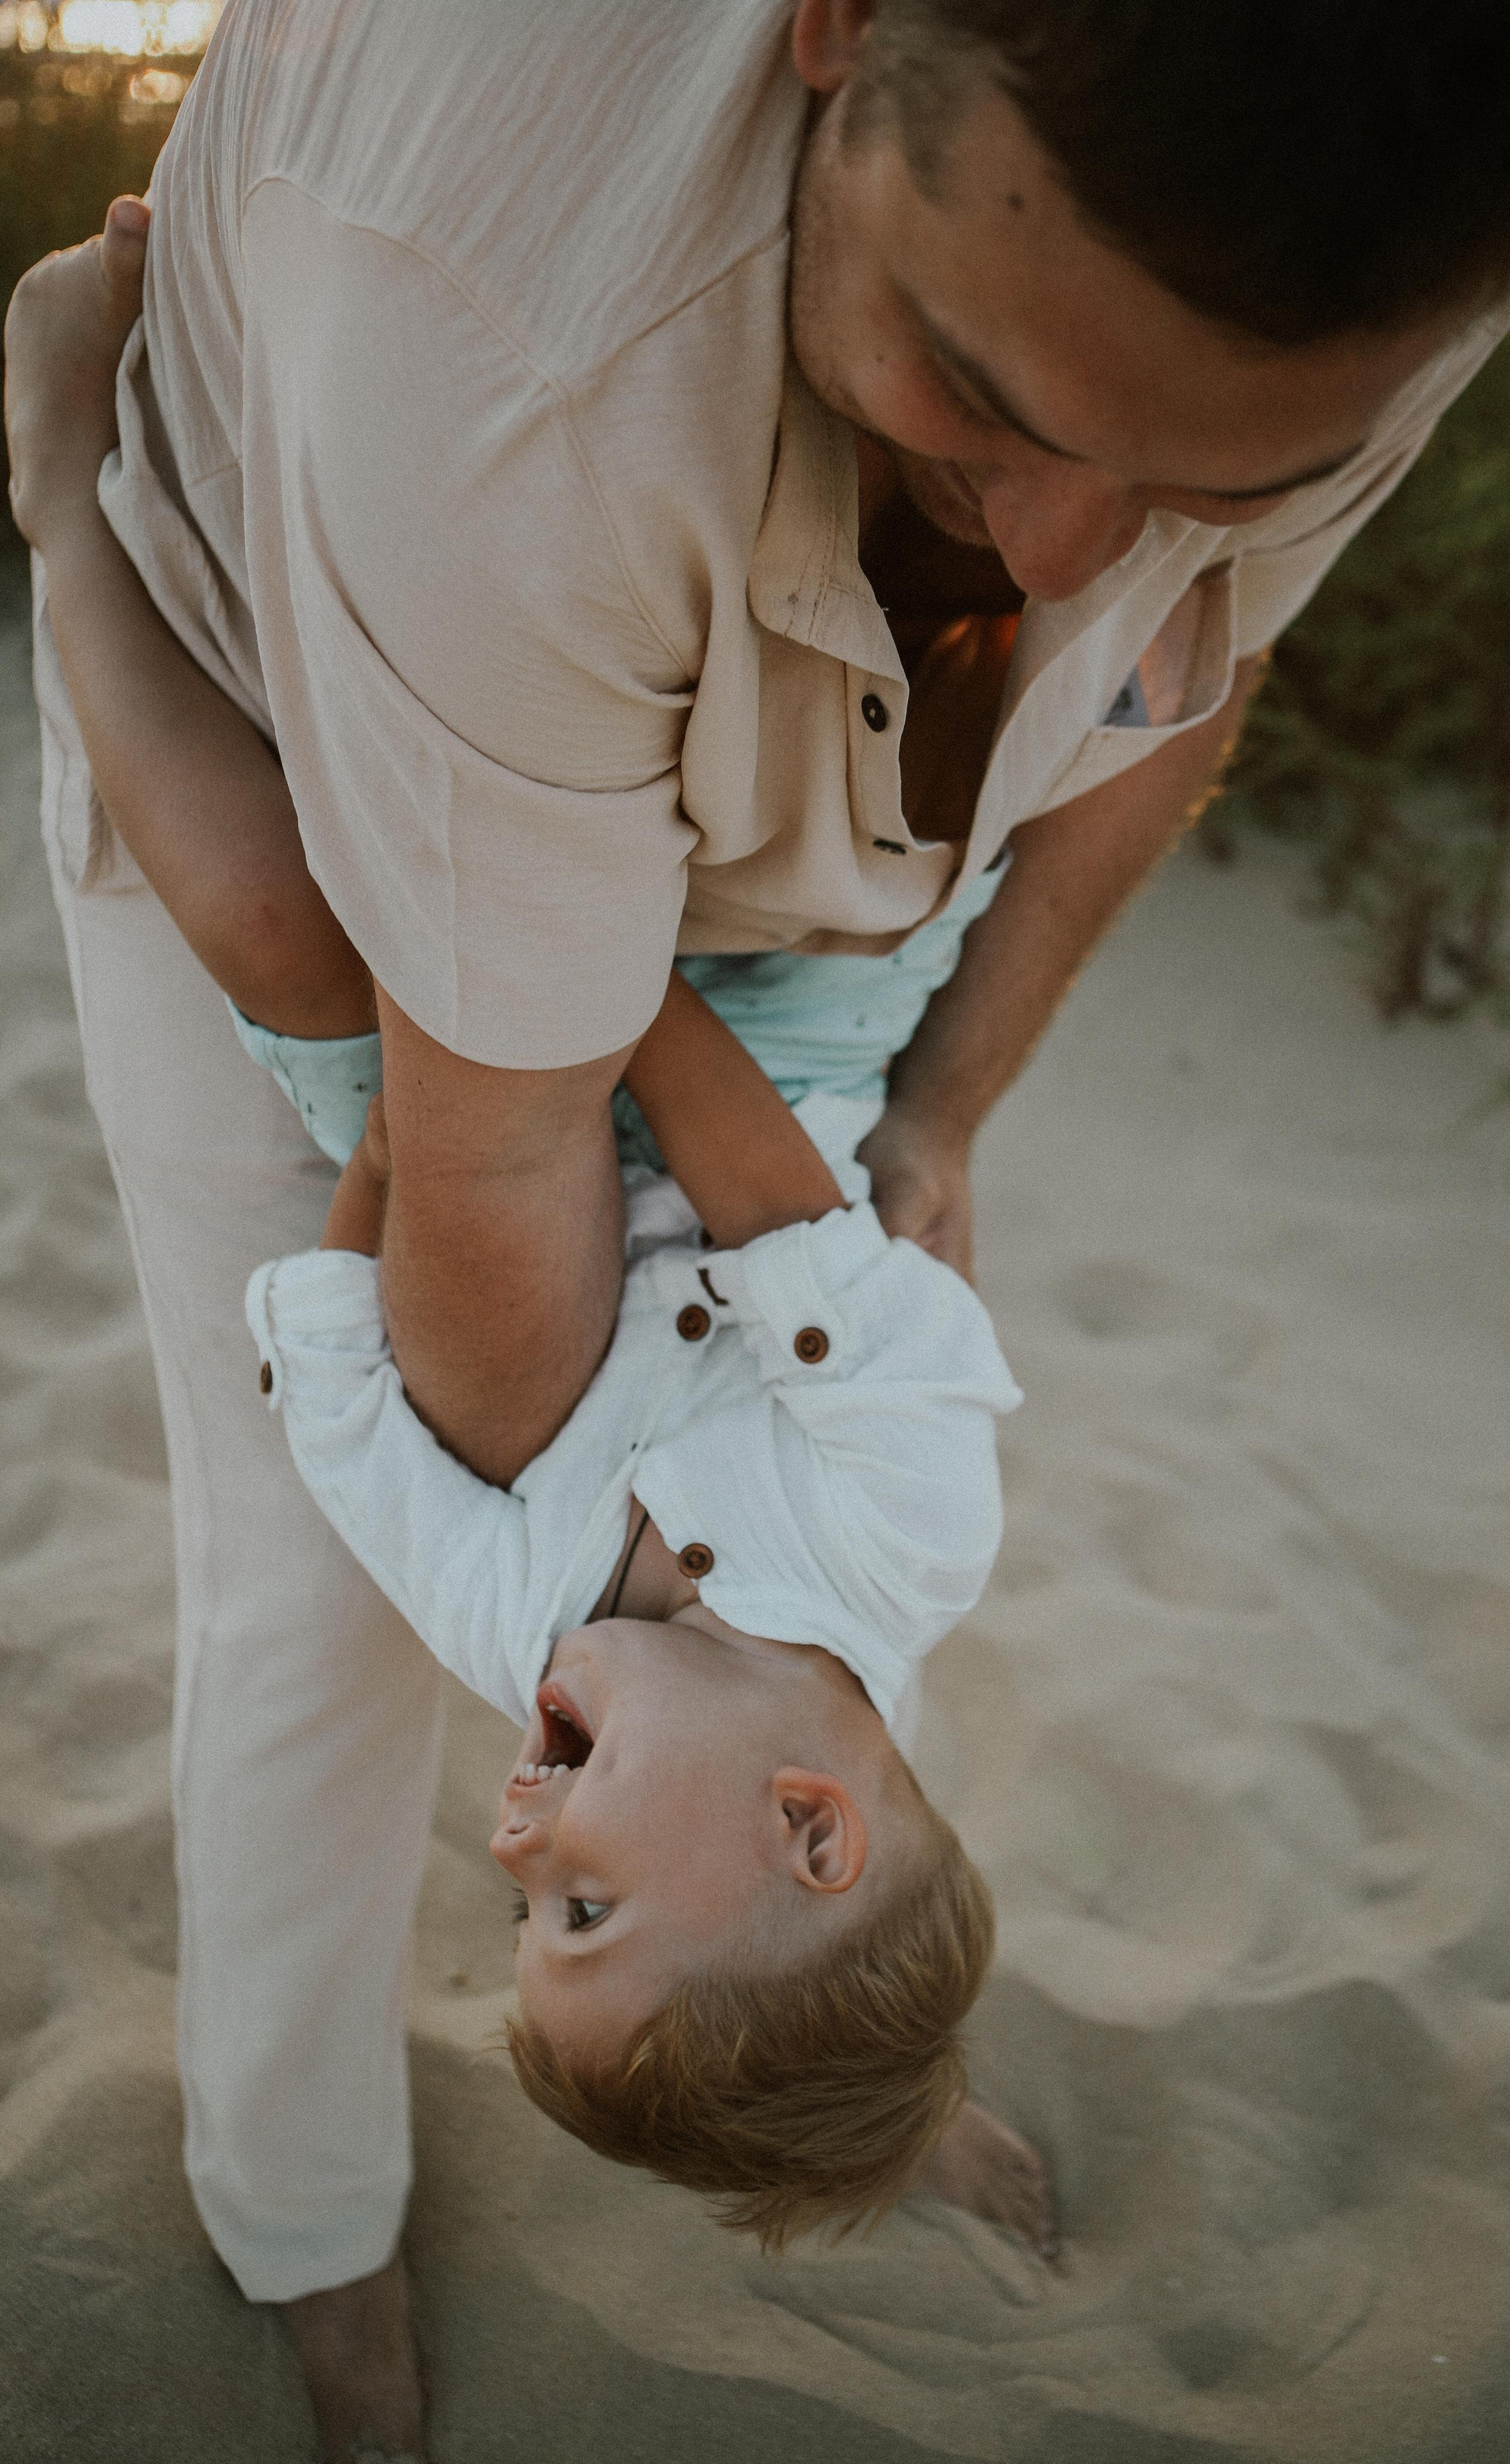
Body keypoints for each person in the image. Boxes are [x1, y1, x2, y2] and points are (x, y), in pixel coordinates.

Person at [12, 1, 1510, 2452]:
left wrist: (942, 1097)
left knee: (323, 998)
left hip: (623, 1038)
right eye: (983, 390)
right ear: (846, 33)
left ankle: (853, 2063)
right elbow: (647, 1208)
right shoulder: (486, 321)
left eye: (1221, 477)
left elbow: (1164, 681)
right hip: (338, 684)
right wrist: (576, 1001)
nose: (1080, 555)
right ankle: (305, 2215)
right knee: (312, 1625)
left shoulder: (1406, 197)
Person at [8, 219, 1020, 2252]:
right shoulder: (911, 1540)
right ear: (808, 1824)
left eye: (517, 1908)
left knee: (277, 931)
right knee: (927, 796)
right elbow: (793, 1221)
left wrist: (401, 1117)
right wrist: (593, 984)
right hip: (757, 1072)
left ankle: (57, 500)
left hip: (452, 1127)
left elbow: (347, 1415)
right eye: (581, 1901)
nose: (511, 1839)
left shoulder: (518, 1634)